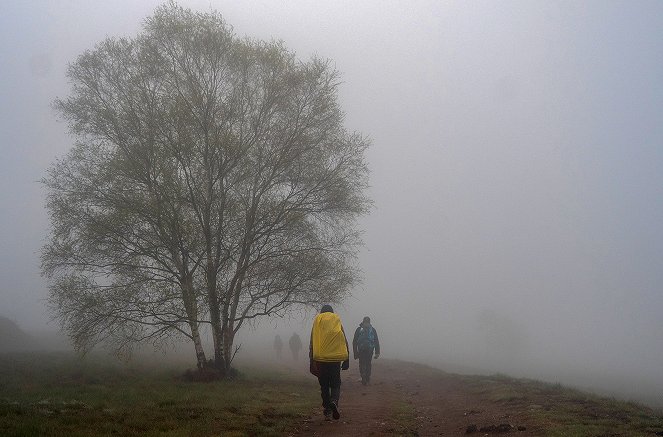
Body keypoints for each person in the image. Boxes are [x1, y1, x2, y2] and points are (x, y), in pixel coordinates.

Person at [309, 305, 350, 421]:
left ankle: (327, 410)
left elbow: (312, 342)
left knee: (324, 385)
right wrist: (347, 359)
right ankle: (334, 401)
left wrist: (312, 360)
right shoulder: (336, 321)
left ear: (322, 312)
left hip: (320, 359)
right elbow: (343, 340)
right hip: (335, 360)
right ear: (332, 312)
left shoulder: (317, 322)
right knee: (336, 383)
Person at [352, 316, 380, 385]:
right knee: (368, 363)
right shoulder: (372, 330)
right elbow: (376, 341)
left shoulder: (359, 329)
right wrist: (377, 352)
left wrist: (355, 352)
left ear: (363, 321)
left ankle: (363, 376)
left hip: (361, 350)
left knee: (362, 363)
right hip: (369, 350)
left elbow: (355, 341)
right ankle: (367, 378)